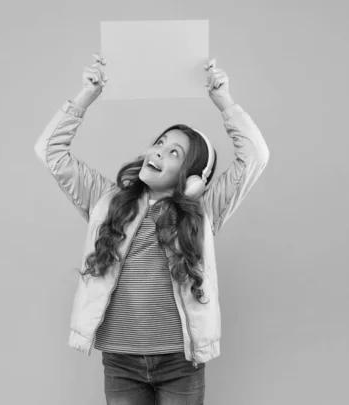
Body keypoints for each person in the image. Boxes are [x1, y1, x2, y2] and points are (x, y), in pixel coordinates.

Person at [34, 52, 270, 405]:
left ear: (192, 180)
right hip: (120, 360)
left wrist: (224, 101)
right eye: (160, 143)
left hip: (180, 362)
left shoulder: (201, 212)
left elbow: (255, 156)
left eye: (175, 152)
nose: (158, 152)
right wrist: (86, 96)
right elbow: (50, 151)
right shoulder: (107, 200)